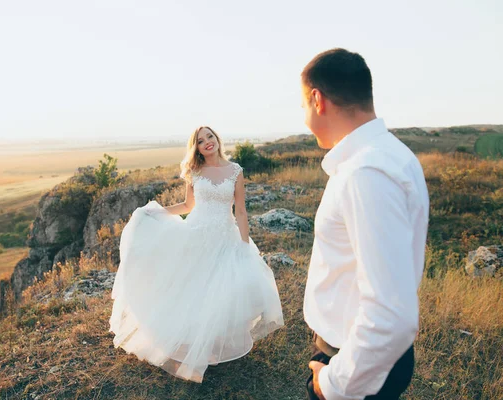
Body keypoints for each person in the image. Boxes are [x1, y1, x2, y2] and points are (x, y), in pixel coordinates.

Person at [301, 49, 429, 399]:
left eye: (302, 105)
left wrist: (333, 384)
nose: (304, 115)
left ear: (317, 99)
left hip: (353, 366)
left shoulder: (366, 172)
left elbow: (391, 313)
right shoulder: (391, 155)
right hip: (363, 357)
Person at [109, 126, 284, 383]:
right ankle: (185, 350)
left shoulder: (236, 171)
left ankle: (211, 345)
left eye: (209, 137)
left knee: (223, 291)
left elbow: (241, 211)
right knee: (191, 291)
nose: (207, 143)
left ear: (217, 139)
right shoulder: (195, 171)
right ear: (197, 148)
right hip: (195, 235)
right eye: (201, 141)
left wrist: (244, 245)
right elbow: (188, 206)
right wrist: (156, 212)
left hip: (224, 236)